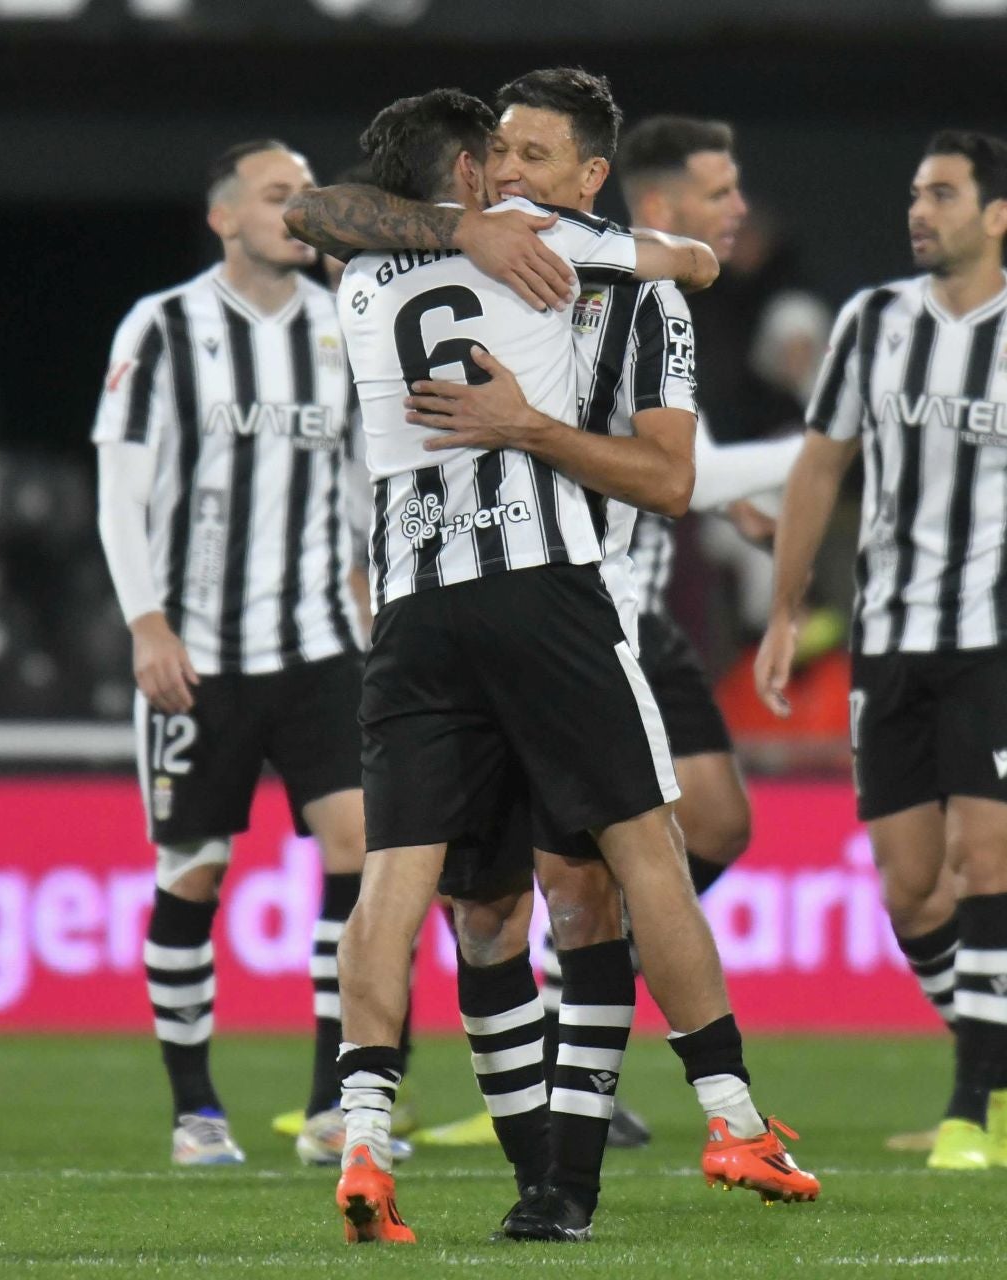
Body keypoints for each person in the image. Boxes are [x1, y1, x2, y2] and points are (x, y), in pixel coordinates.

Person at [309, 87, 815, 1247]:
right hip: (546, 596)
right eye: (496, 155)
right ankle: (729, 1112)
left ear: (591, 168)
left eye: (532, 151)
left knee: (418, 883)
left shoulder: (362, 274)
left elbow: (323, 215)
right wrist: (494, 246)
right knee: (616, 868)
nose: (510, 170)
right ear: (468, 177)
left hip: (416, 607)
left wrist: (450, 230)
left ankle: (368, 1130)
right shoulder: (559, 243)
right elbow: (690, 260)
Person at [756, 130, 1007, 1173]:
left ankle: (976, 1106)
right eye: (915, 191)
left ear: (999, 216)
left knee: (986, 860)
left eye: (940, 193)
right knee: (908, 886)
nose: (918, 209)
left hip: (1000, 642)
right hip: (888, 641)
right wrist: (787, 606)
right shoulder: (871, 320)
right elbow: (818, 465)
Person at [91, 140, 369, 1168]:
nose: (299, 211)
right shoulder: (163, 327)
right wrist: (145, 620)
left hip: (316, 643)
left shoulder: (344, 327)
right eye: (277, 195)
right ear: (224, 216)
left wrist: (363, 576)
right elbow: (121, 484)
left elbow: (361, 470)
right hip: (196, 651)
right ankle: (196, 1107)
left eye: (307, 196)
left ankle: (337, 1099)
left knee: (363, 846)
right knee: (195, 873)